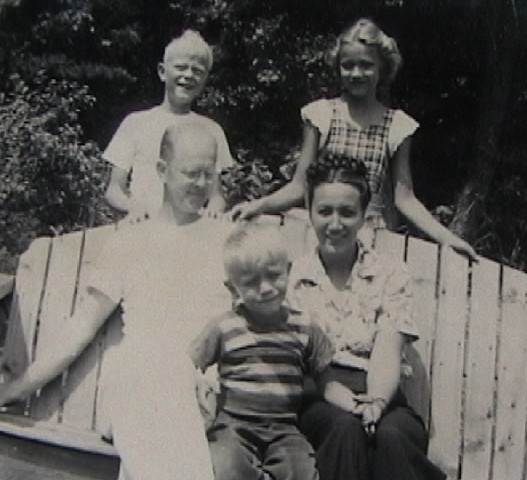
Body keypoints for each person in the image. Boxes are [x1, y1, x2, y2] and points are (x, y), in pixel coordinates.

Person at [0, 122, 234, 480]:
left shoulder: (226, 240)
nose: (202, 184)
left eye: (209, 173)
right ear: (162, 171)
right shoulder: (130, 241)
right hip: (140, 378)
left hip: (204, 389)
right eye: (191, 173)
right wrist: (18, 388)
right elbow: (82, 326)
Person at [231, 18, 476, 260]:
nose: (356, 73)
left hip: (370, 237)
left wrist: (446, 237)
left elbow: (405, 199)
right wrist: (258, 205)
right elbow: (299, 186)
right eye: (347, 65)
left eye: (366, 65)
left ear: (382, 68)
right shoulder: (322, 115)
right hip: (323, 231)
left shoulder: (397, 126)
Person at [287, 155, 447, 480]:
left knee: (393, 436)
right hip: (319, 397)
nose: (335, 224)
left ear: (363, 216)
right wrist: (348, 405)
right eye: (324, 211)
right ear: (309, 210)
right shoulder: (292, 278)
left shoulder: (389, 273)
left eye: (347, 212)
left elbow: (388, 350)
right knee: (345, 429)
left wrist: (375, 403)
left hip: (381, 392)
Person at [189, 221, 335, 480]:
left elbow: (327, 378)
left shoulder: (304, 327)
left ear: (289, 270)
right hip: (234, 425)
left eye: (273, 275)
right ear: (233, 288)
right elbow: (188, 365)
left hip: (284, 428)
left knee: (301, 471)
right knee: (227, 467)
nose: (265, 288)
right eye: (251, 282)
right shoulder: (224, 327)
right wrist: (199, 393)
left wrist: (357, 403)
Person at [103, 29, 234, 219]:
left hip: (190, 229)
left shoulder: (212, 130)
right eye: (181, 67)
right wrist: (133, 207)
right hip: (144, 225)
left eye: (197, 71)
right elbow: (114, 190)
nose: (188, 75)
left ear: (205, 79)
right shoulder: (135, 123)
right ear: (162, 72)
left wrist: (214, 211)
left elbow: (216, 196)